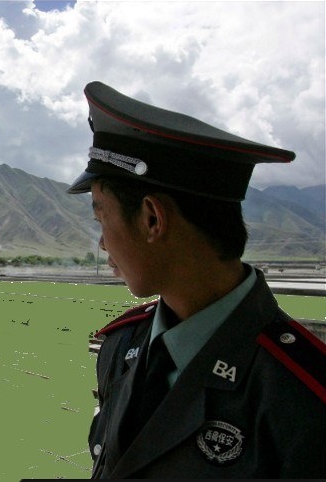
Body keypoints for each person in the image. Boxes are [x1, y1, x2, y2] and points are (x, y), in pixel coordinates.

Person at [67, 81, 326, 478]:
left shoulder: (301, 394)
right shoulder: (120, 348)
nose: (102, 244)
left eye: (101, 217)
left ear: (152, 219)